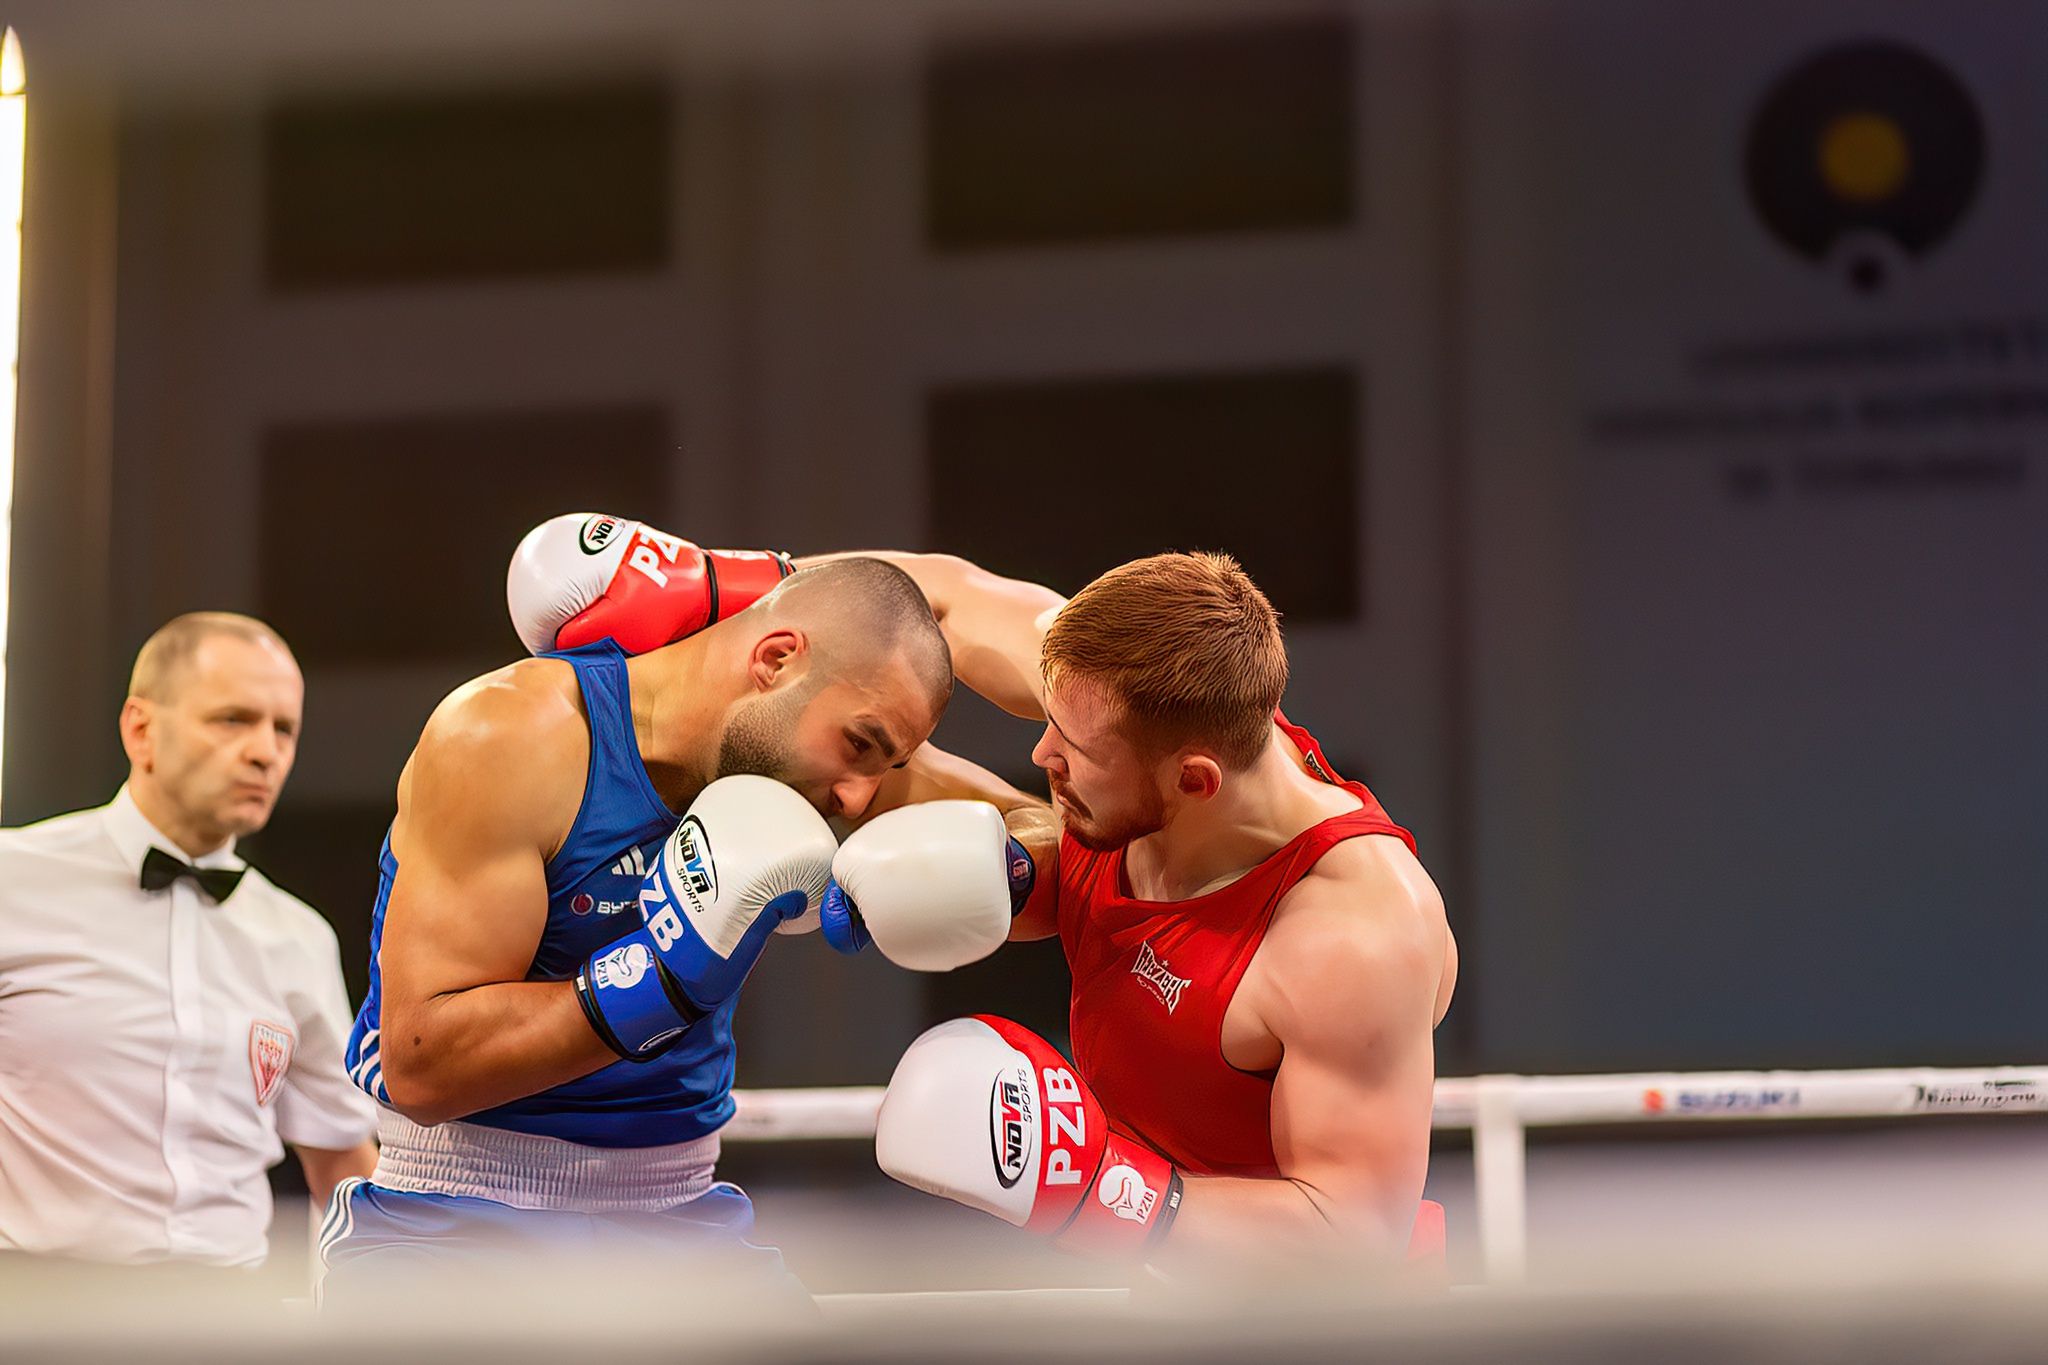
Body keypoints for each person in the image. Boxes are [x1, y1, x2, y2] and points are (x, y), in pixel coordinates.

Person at [506, 517, 1454, 1276]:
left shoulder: (1356, 939)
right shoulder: (1141, 692)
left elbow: (1350, 1241)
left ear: (1195, 782)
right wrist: (725, 587)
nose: (1042, 753)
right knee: (876, 745)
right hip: (1169, 1296)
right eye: (1051, 720)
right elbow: (944, 603)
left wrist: (1097, 1186)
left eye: (1072, 754)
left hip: (1317, 1331)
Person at [320, 530, 1040, 1301]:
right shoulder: (514, 736)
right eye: (862, 745)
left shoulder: (833, 757)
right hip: (456, 1214)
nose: (859, 798)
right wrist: (660, 980)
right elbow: (422, 1065)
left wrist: (1001, 871)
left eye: (887, 763)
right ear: (775, 659)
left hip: (680, 1211)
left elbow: (1064, 832)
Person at [0, 612, 379, 1270]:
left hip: (224, 1318)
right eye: (233, 718)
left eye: (283, 727)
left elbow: (343, 1160)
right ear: (140, 729)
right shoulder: (14, 880)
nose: (266, 750)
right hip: (36, 1308)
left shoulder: (296, 935)